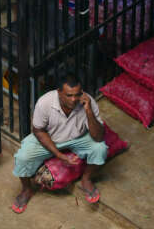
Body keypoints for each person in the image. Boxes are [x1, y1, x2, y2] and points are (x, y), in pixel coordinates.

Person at [12, 73, 108, 213]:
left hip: (78, 138)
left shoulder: (89, 102)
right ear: (59, 93)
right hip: (51, 138)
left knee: (100, 148)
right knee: (22, 157)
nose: (74, 99)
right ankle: (27, 190)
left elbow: (99, 136)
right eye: (69, 95)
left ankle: (86, 179)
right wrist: (57, 154)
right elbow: (38, 130)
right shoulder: (45, 102)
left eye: (77, 94)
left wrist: (88, 111)